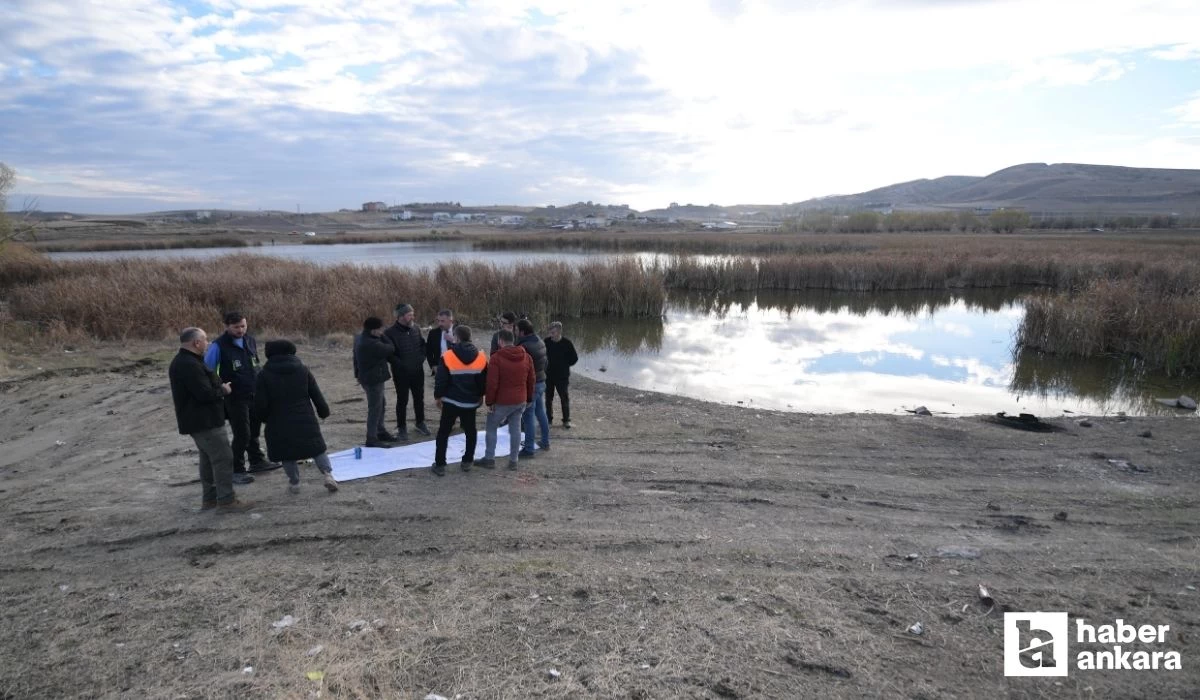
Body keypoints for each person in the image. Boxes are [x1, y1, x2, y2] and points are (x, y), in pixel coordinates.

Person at [169, 327, 252, 512]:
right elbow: (204, 394)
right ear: (196, 343)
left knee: (208, 459)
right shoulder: (188, 364)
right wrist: (223, 390)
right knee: (223, 458)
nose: (208, 343)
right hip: (204, 421)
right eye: (205, 339)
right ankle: (227, 501)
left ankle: (210, 499)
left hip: (200, 420)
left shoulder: (188, 361)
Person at [254, 340, 339, 495]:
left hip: (278, 420)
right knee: (317, 448)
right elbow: (316, 394)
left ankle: (294, 483)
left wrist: (264, 419)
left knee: (286, 453)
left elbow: (260, 403)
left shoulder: (263, 375)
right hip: (304, 417)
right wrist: (323, 411)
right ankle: (328, 475)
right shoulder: (302, 370)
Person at [203, 311, 278, 484]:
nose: (240, 330)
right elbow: (207, 370)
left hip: (253, 393)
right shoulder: (218, 346)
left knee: (254, 429)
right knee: (242, 434)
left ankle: (257, 461)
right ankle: (235, 469)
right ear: (227, 326)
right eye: (236, 327)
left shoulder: (249, 341)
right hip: (234, 397)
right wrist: (219, 388)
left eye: (243, 326)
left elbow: (255, 364)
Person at [431, 325, 487, 476]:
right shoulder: (481, 357)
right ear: (470, 337)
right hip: (470, 403)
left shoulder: (448, 356)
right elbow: (483, 381)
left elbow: (441, 380)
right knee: (470, 431)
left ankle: (440, 464)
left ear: (456, 337)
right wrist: (481, 395)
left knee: (443, 432)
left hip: (451, 401)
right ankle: (468, 461)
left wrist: (438, 396)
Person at [477, 329, 534, 470]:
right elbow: (531, 380)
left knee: (491, 428)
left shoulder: (496, 358)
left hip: (502, 401)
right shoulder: (527, 357)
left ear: (500, 341)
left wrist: (489, 401)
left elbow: (492, 383)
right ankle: (513, 461)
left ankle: (489, 459)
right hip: (520, 400)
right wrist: (529, 398)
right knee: (515, 429)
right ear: (513, 340)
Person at [384, 303, 430, 441]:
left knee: (419, 398)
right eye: (410, 314)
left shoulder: (416, 328)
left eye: (412, 313)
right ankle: (401, 427)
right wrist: (402, 365)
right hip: (401, 373)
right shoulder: (389, 333)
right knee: (402, 400)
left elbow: (423, 345)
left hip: (417, 371)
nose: (412, 316)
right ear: (401, 316)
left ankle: (420, 422)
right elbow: (390, 355)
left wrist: (421, 358)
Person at [353, 316, 397, 448]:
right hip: (373, 380)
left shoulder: (359, 337)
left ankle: (380, 431)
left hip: (367, 377)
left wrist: (357, 373)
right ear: (373, 331)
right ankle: (371, 438)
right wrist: (383, 336)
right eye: (380, 329)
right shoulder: (372, 343)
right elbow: (391, 348)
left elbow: (354, 357)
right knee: (375, 409)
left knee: (381, 405)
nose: (382, 331)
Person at [515, 318, 550, 457]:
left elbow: (521, 369)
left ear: (522, 332)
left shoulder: (524, 347)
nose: (515, 332)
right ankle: (545, 442)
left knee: (528, 416)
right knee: (540, 412)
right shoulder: (540, 341)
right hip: (541, 381)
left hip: (532, 385)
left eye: (516, 330)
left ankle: (529, 449)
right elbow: (545, 361)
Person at [543, 321, 579, 429]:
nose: (551, 334)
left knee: (564, 398)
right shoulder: (546, 342)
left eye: (553, 332)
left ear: (559, 332)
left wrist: (565, 365)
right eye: (550, 332)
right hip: (548, 375)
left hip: (562, 377)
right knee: (548, 398)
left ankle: (566, 420)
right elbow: (541, 355)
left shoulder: (567, 343)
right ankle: (549, 419)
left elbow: (574, 358)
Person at [425, 309, 457, 376]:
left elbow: (466, 347)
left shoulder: (459, 331)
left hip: (457, 369)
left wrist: (453, 341)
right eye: (438, 321)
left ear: (450, 321)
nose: (440, 324)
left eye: (442, 321)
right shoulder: (433, 333)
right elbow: (428, 351)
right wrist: (433, 365)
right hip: (440, 369)